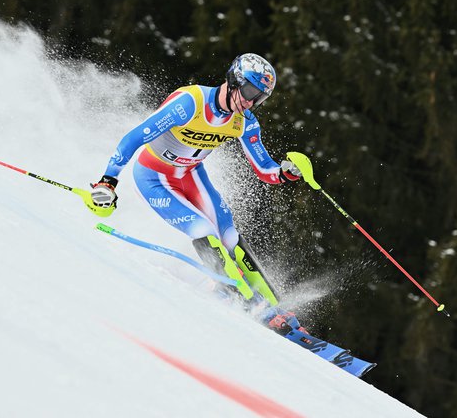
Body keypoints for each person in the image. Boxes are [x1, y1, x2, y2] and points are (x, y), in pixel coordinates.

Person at [91, 53, 305, 333]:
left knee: (228, 235)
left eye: (259, 99)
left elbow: (264, 168)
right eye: (251, 92)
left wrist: (286, 172)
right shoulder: (190, 102)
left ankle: (271, 304)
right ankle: (247, 302)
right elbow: (135, 137)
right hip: (154, 177)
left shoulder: (244, 121)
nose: (251, 103)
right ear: (234, 80)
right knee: (203, 230)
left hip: (191, 175)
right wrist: (108, 181)